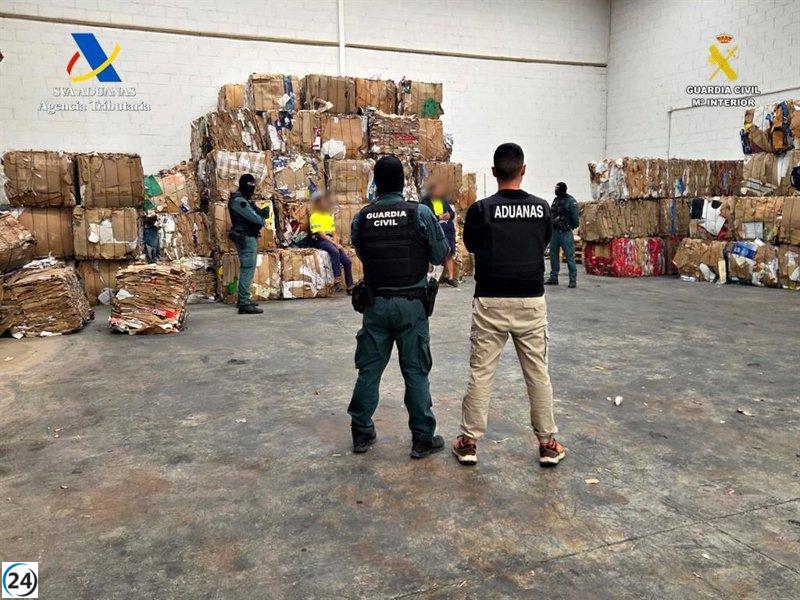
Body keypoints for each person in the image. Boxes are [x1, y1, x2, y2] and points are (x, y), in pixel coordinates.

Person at [452, 143, 566, 467]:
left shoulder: (481, 210)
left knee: (481, 373)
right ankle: (547, 444)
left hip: (490, 301)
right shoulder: (542, 208)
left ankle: (469, 442)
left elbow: (471, 245)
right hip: (531, 301)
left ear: (493, 172)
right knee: (537, 373)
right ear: (523, 170)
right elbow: (542, 243)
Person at [348, 156, 451, 459]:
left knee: (369, 370)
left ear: (376, 184)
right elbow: (438, 254)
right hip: (411, 305)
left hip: (376, 304)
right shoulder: (419, 213)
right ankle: (422, 438)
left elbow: (362, 250)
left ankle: (361, 434)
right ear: (404, 182)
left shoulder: (362, 217)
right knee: (416, 372)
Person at [228, 174, 270, 315]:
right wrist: (262, 218)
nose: (251, 188)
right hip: (245, 237)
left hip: (247, 236)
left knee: (249, 268)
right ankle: (244, 303)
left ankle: (245, 299)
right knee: (247, 268)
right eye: (250, 185)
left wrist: (262, 213)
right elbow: (256, 219)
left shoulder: (244, 199)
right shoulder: (239, 201)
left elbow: (256, 213)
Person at [309, 191, 354, 293]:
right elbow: (321, 234)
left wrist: (337, 242)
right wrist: (334, 243)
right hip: (321, 240)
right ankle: (336, 279)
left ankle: (350, 286)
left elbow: (334, 232)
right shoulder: (314, 217)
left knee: (347, 261)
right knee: (335, 251)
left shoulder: (328, 216)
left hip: (331, 240)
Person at [421, 181, 458, 288]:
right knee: (435, 253)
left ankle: (450, 278)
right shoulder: (425, 202)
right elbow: (426, 216)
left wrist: (449, 215)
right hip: (435, 231)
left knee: (449, 252)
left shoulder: (442, 200)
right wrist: (439, 218)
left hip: (447, 230)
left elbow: (452, 213)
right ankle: (432, 278)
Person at [545, 181, 580, 288]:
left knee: (569, 256)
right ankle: (553, 277)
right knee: (553, 255)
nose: (556, 191)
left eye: (558, 188)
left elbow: (575, 219)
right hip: (555, 232)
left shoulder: (571, 201)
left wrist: (570, 227)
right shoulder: (556, 200)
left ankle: (572, 279)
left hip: (565, 232)